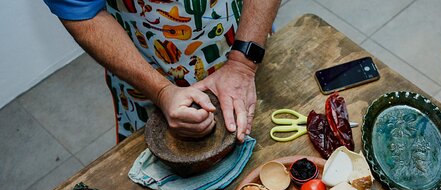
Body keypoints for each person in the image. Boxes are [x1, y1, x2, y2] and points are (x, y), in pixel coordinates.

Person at [43, 0, 281, 142]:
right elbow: (83, 14)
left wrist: (242, 64)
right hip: (147, 72)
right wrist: (161, 91)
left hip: (247, 44)